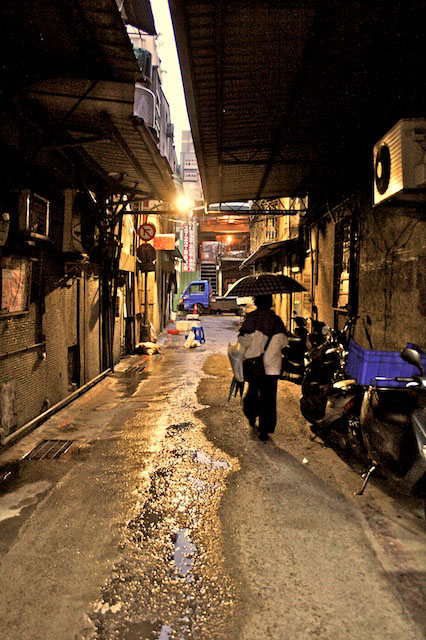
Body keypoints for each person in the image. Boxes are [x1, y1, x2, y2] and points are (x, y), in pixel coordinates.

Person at [238, 294, 288, 441]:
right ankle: (265, 429)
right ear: (270, 302)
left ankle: (251, 415)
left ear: (256, 302)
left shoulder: (251, 318)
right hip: (272, 366)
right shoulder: (276, 320)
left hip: (254, 364)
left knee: (253, 390)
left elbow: (242, 340)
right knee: (269, 398)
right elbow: (284, 342)